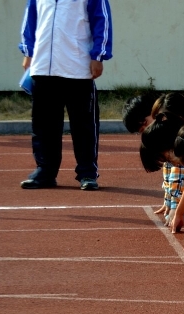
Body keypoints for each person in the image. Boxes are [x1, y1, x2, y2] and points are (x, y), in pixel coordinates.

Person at [18, 0, 113, 191]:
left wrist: (98, 55)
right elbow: (30, 20)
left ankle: (87, 173)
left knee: (84, 126)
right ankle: (45, 171)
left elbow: (102, 21)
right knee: (44, 126)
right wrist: (28, 51)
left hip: (77, 68)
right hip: (43, 67)